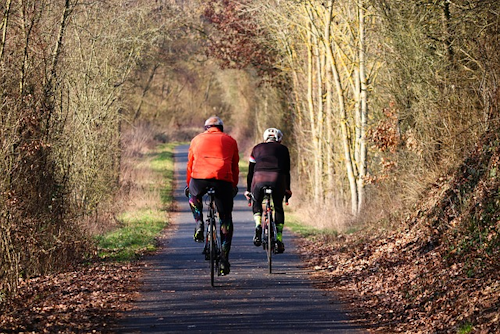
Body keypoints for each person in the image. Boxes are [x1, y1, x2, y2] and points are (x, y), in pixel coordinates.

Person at [185, 116, 239, 276]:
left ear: (206, 128)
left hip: (199, 178)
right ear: (221, 128)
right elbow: (234, 167)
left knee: (194, 196)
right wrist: (233, 185)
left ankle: (199, 223)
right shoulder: (230, 140)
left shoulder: (196, 139)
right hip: (222, 180)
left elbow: (190, 164)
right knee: (225, 218)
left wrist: (190, 185)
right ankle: (224, 259)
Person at [244, 128, 292, 254]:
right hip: (277, 179)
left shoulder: (256, 148)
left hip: (259, 178)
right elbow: (287, 172)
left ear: (265, 138)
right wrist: (287, 189)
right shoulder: (284, 149)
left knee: (257, 201)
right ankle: (279, 239)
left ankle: (258, 225)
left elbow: (250, 172)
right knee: (278, 207)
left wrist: (248, 190)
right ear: (279, 139)